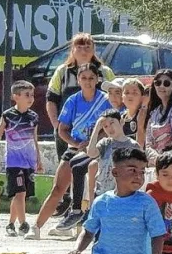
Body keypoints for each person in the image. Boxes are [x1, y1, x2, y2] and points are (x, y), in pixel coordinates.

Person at [26, 63, 112, 240]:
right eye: (84, 78)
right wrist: (75, 143)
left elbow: (110, 126)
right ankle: (36, 227)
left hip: (97, 150)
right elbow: (62, 129)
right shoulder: (73, 100)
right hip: (74, 149)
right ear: (78, 79)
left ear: (97, 79)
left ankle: (82, 222)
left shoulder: (105, 100)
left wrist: (92, 141)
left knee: (91, 189)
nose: (87, 82)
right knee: (58, 188)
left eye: (91, 78)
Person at [45, 33, 115, 217]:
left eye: (88, 46)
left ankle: (84, 212)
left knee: (89, 173)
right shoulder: (62, 72)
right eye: (79, 46)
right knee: (66, 172)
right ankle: (66, 207)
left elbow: (116, 100)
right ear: (72, 49)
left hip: (99, 136)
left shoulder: (105, 72)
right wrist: (56, 125)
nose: (83, 50)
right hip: (68, 133)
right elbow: (51, 99)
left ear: (94, 49)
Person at [0, 80, 42, 237]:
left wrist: (38, 159)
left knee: (20, 194)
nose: (30, 98)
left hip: (29, 161)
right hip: (14, 162)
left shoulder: (34, 117)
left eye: (32, 95)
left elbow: (34, 139)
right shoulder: (8, 115)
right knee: (20, 193)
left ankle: (10, 224)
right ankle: (23, 223)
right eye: (26, 95)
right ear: (16, 96)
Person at [85, 109, 138, 201]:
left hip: (123, 195)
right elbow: (91, 153)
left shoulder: (133, 145)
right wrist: (97, 128)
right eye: (105, 126)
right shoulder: (105, 143)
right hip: (102, 193)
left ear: (121, 121)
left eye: (112, 123)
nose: (109, 128)